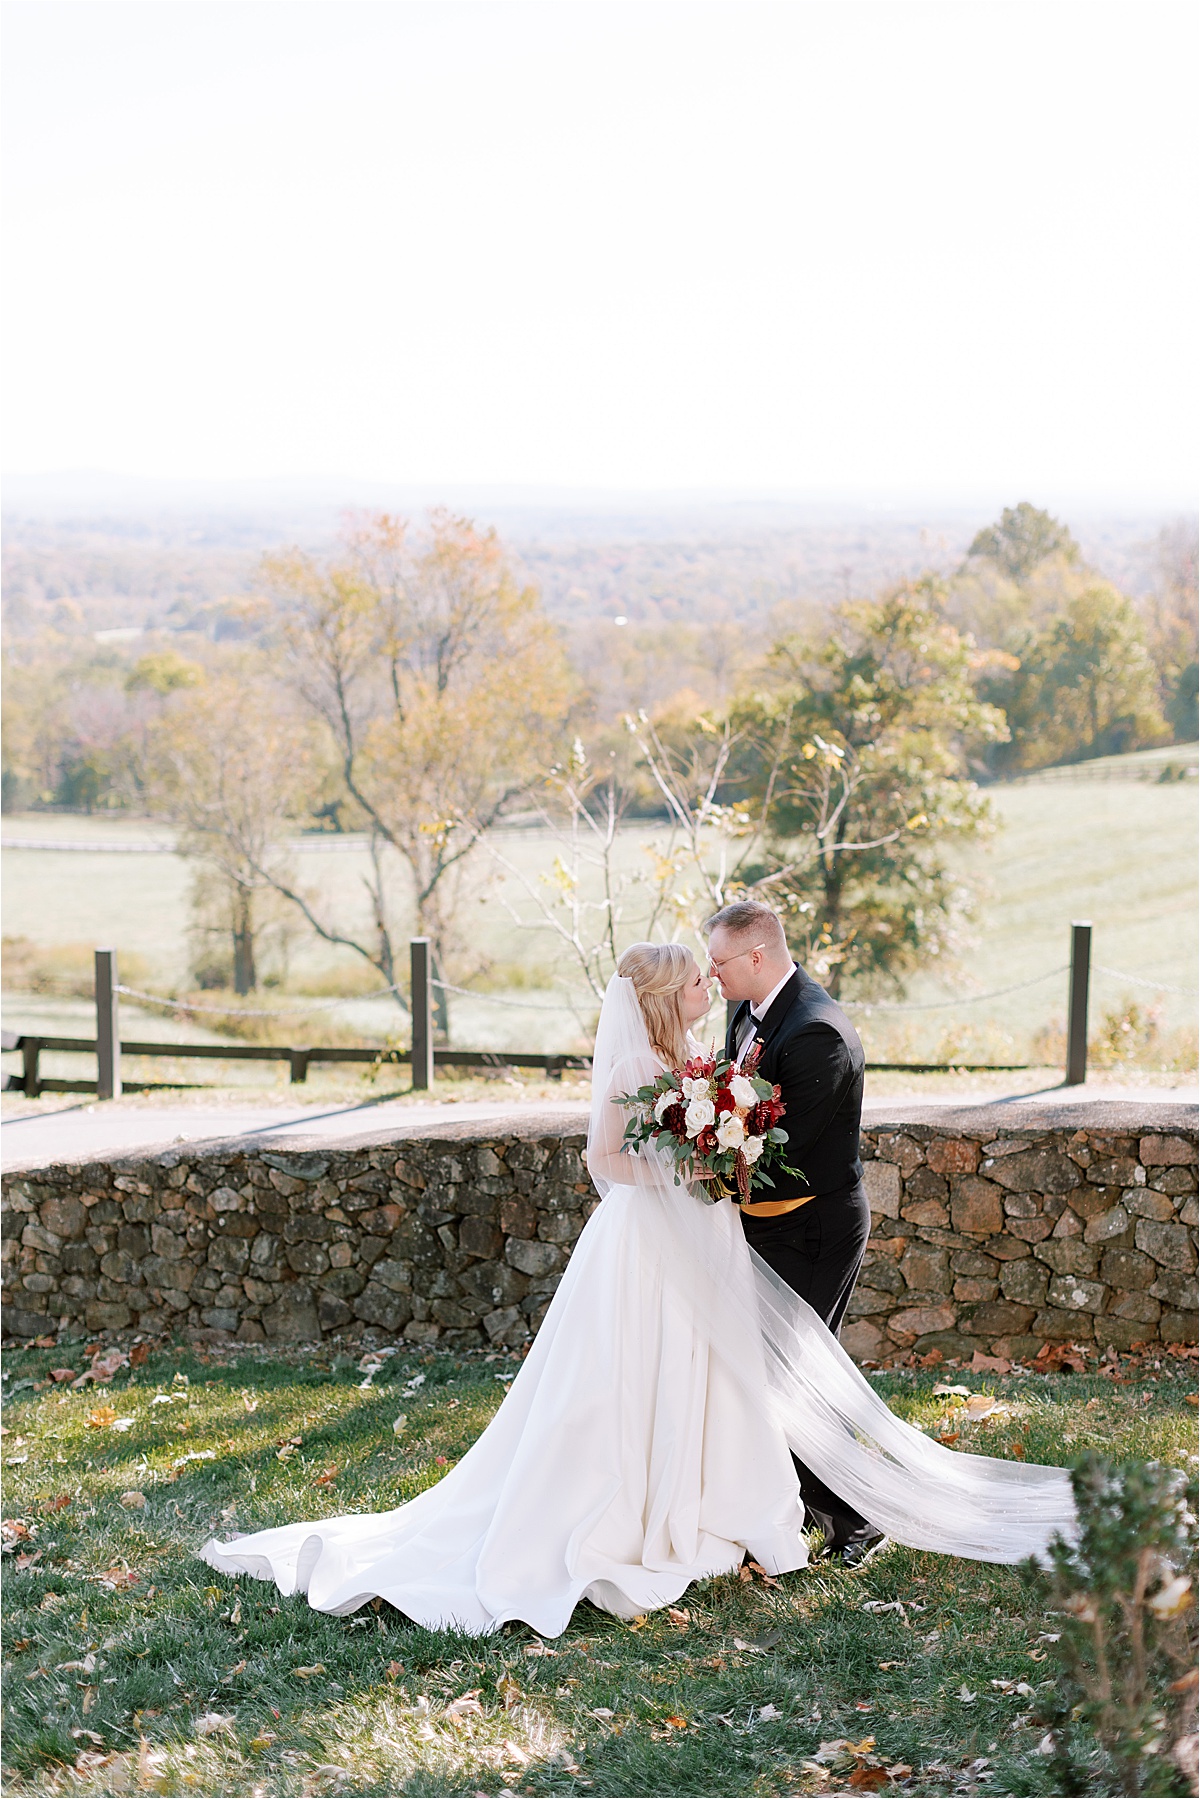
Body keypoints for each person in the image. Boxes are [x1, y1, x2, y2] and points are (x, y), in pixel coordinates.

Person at [199, 943, 1076, 1637]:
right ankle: (638, 1516)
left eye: (711, 971)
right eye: (697, 978)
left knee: (713, 1375)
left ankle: (721, 1506)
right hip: (648, 1243)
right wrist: (685, 1167)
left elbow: (732, 1124)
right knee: (636, 1375)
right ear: (666, 996)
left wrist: (713, 1154)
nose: (710, 983)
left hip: (704, 1232)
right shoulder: (635, 1069)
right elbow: (602, 1159)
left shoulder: (701, 1051)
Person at [704, 899, 881, 1565]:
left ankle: (856, 1520)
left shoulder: (815, 1034)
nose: (711, 973)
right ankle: (791, 1506)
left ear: (757, 956)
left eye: (719, 961)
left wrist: (702, 1176)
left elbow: (788, 1159)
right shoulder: (745, 1009)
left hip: (814, 1228)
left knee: (796, 1376)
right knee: (763, 1373)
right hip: (761, 1228)